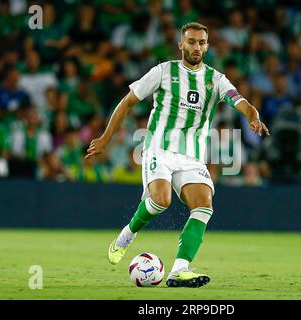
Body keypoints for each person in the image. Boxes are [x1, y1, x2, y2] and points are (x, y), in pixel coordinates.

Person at [84, 22, 269, 288]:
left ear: (207, 45)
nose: (197, 47)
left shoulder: (215, 79)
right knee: (161, 201)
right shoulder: (162, 72)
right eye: (191, 42)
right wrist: (105, 138)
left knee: (204, 206)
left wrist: (253, 117)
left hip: (191, 157)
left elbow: (242, 102)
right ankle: (127, 234)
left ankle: (179, 270)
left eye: (202, 42)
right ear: (181, 44)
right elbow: (127, 102)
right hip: (159, 148)